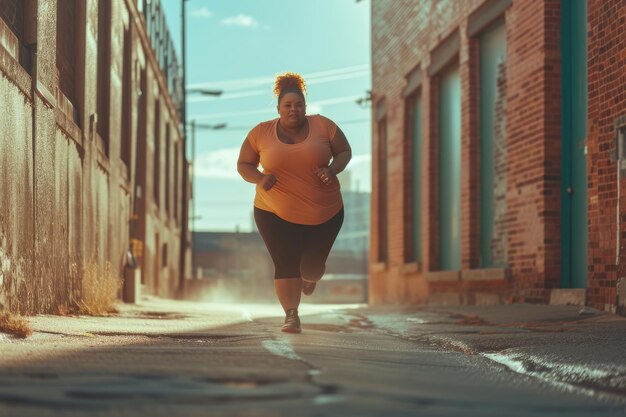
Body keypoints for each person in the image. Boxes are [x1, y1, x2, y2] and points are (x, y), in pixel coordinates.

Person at [237, 72, 352, 333]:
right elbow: (244, 164)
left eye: (299, 105)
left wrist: (332, 170)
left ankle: (309, 279)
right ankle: (291, 315)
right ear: (278, 108)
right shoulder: (260, 132)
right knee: (285, 261)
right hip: (273, 211)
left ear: (305, 107)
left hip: (324, 213)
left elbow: (345, 151)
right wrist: (260, 177)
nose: (293, 110)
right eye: (287, 105)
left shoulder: (323, 126)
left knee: (311, 268)